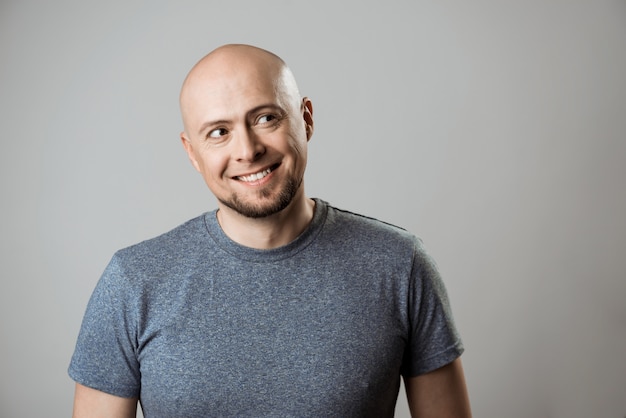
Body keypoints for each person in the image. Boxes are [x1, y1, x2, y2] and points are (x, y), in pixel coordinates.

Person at [69, 44, 472, 417]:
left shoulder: (401, 266)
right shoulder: (133, 281)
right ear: (191, 152)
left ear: (306, 119)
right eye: (218, 132)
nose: (247, 149)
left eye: (265, 118)